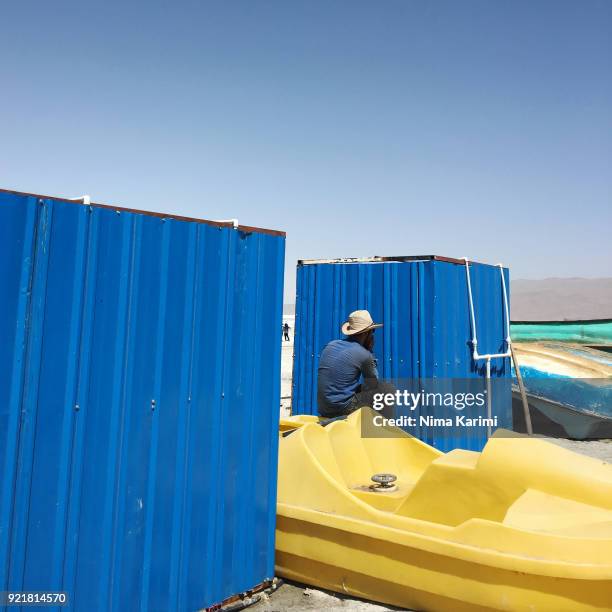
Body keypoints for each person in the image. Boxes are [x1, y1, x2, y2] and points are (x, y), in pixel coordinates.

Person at [317, 310, 390, 418]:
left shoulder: (331, 345)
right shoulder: (364, 354)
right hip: (343, 409)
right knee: (386, 390)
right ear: (366, 333)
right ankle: (380, 430)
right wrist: (370, 352)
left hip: (323, 409)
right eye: (372, 331)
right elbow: (373, 384)